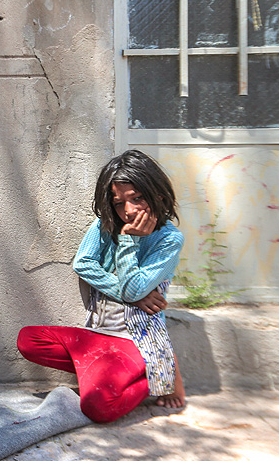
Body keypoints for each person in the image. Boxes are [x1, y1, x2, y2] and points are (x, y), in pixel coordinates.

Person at [17, 149, 186, 423]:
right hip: (97, 335)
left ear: (158, 195)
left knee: (98, 407)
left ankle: (158, 372)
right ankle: (109, 371)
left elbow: (134, 289)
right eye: (119, 203)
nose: (128, 210)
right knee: (28, 340)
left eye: (137, 198)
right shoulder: (107, 223)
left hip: (134, 340)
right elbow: (83, 263)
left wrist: (129, 240)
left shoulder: (169, 240)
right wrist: (133, 296)